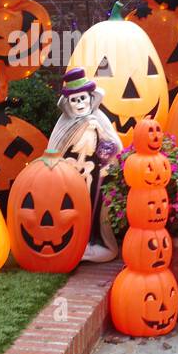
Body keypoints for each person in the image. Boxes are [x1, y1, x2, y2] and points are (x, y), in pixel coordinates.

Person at [46, 68, 122, 262]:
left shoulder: (99, 119)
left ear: (90, 98)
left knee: (92, 210)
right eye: (74, 100)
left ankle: (92, 242)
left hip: (94, 175)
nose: (79, 104)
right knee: (71, 209)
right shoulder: (64, 123)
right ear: (68, 104)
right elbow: (55, 147)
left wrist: (100, 132)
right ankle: (70, 241)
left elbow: (114, 149)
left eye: (82, 98)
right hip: (70, 174)